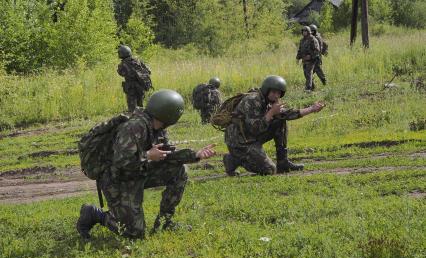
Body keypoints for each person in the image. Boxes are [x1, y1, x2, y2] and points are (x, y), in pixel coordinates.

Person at [77, 90, 216, 239]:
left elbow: (166, 155)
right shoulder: (134, 127)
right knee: (134, 233)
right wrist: (148, 155)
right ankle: (94, 214)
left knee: (179, 170)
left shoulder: (157, 128)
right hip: (116, 179)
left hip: (137, 171)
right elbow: (121, 161)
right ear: (170, 115)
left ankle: (164, 222)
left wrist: (195, 154)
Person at [223, 75, 325, 176]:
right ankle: (234, 159)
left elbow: (287, 114)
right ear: (267, 90)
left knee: (280, 120)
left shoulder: (268, 101)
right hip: (240, 142)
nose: (276, 96)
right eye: (274, 92)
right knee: (269, 170)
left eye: (279, 93)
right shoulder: (252, 101)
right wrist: (271, 113)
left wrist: (311, 109)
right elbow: (255, 129)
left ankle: (283, 162)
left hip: (250, 137)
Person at [117, 45, 153, 112]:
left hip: (131, 88)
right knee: (141, 106)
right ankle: (141, 119)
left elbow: (121, 73)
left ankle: (133, 120)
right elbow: (149, 71)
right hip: (141, 86)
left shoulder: (122, 64)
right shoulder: (137, 60)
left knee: (132, 108)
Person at [296, 26, 321, 92]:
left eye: (305, 31)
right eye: (303, 31)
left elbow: (317, 50)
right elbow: (300, 50)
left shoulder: (313, 39)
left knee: (309, 73)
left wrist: (311, 56)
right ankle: (312, 87)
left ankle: (308, 88)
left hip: (311, 60)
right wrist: (298, 58)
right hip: (304, 60)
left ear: (308, 31)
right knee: (306, 74)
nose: (304, 32)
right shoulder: (302, 40)